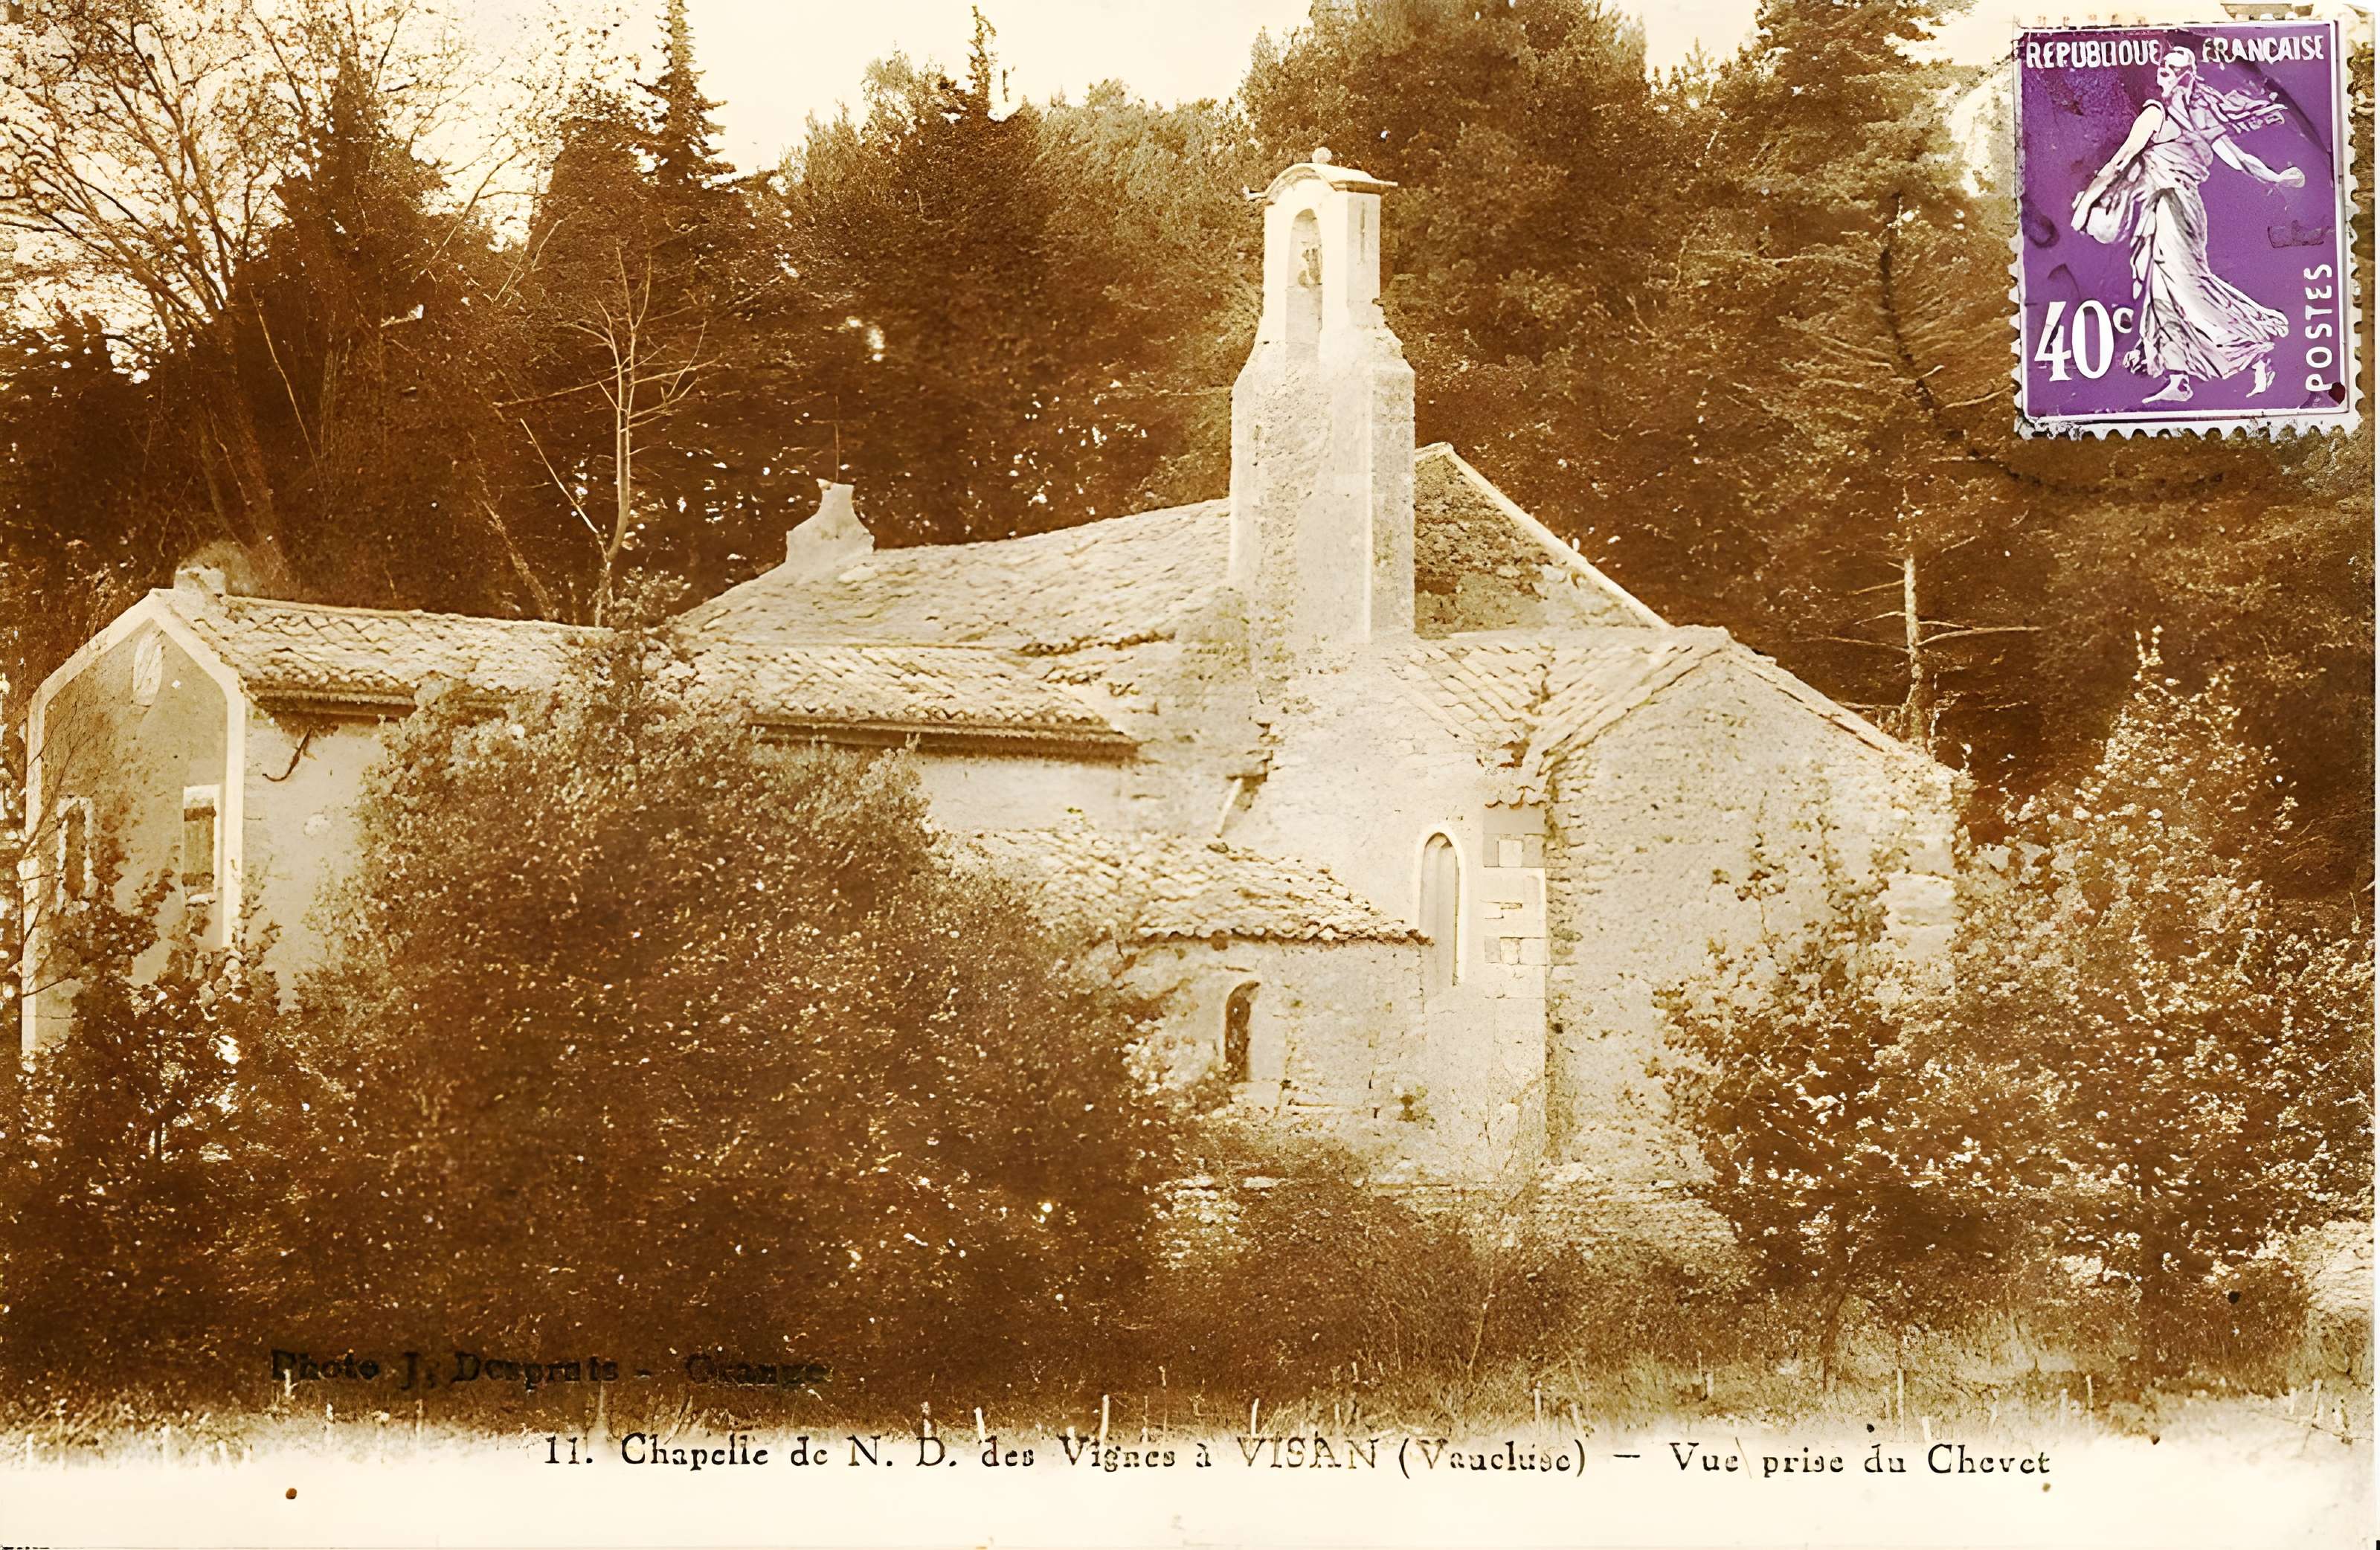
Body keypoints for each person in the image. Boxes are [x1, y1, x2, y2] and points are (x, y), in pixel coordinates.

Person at [2070, 47, 2304, 402]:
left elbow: (2120, 163)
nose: (2164, 69)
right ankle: (2179, 379)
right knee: (2159, 288)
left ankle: (2254, 346)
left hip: (2171, 207)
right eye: (2163, 63)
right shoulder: (2197, 122)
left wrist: (2086, 203)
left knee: (2186, 288)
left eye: (2174, 66)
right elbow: (2239, 160)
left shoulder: (2159, 116)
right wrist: (2276, 178)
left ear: (2188, 75)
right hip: (2170, 208)